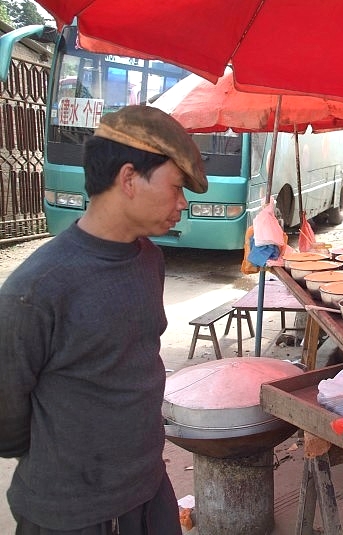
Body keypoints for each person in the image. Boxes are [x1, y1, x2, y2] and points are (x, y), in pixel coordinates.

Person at [0, 105, 207, 534]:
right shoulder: (37, 288)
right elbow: (6, 416)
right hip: (71, 513)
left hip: (149, 492)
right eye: (176, 187)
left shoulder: (149, 258)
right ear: (129, 179)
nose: (183, 204)